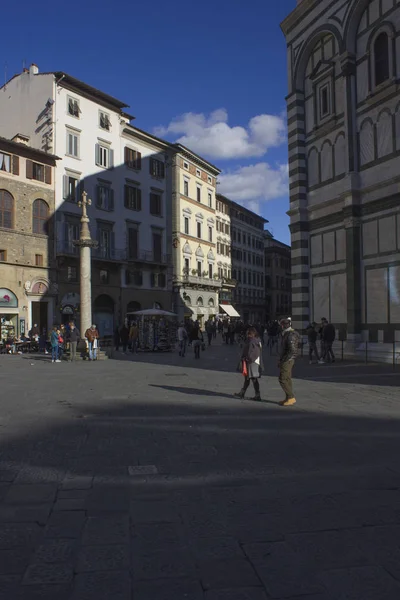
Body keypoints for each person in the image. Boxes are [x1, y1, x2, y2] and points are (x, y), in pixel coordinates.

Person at [234, 327, 263, 401]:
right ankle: (243, 393)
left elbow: (255, 352)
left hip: (252, 363)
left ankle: (257, 395)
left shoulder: (252, 341)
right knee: (248, 378)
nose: (247, 335)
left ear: (251, 334)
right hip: (253, 362)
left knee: (253, 378)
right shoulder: (255, 340)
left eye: (248, 333)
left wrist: (249, 359)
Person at [278, 317, 300, 407]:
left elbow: (292, 350)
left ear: (284, 325)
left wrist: (284, 360)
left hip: (288, 359)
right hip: (287, 358)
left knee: (282, 379)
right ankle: (288, 398)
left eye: (282, 325)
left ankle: (291, 397)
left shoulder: (290, 335)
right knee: (287, 378)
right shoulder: (287, 334)